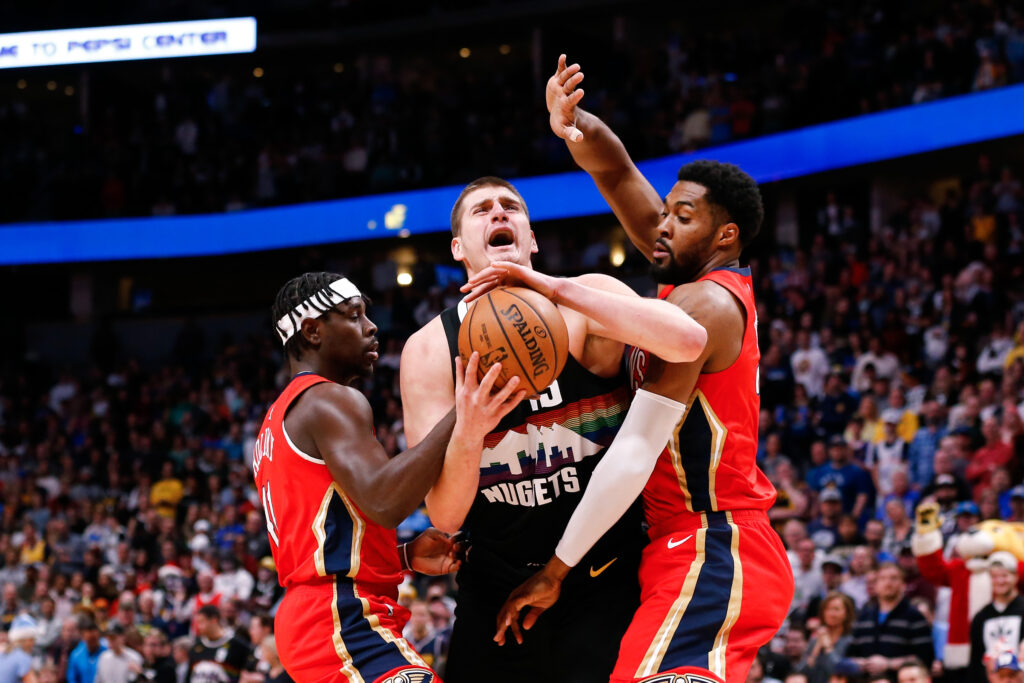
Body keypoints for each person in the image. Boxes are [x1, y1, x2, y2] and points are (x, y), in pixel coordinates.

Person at [490, 55, 793, 683]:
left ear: (725, 236)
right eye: (667, 210)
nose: (663, 225)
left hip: (716, 543)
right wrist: (571, 125)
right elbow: (617, 169)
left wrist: (556, 569)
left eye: (683, 217)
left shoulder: (705, 305)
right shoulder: (682, 284)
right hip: (683, 546)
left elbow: (633, 451)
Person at [400, 172, 707, 683]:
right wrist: (471, 429)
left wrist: (555, 290)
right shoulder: (431, 349)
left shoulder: (584, 300)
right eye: (482, 210)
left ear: (532, 238)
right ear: (459, 248)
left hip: (606, 570)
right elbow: (446, 515)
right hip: (496, 581)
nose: (499, 213)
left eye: (510, 207)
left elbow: (688, 341)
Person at [254, 272, 526, 682]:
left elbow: (319, 540)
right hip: (340, 619)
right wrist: (465, 412)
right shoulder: (328, 399)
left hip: (315, 617)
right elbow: (384, 502)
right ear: (312, 331)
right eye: (354, 315)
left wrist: (399, 557)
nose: (371, 326)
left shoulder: (276, 420)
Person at [846, 563, 934, 677]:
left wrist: (889, 664)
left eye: (894, 578)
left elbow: (924, 659)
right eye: (882, 579)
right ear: (876, 585)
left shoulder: (915, 617)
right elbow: (850, 654)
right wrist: (861, 663)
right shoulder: (864, 617)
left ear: (903, 585)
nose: (888, 583)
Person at [969, 552, 1024, 681]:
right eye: (994, 576)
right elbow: (976, 660)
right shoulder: (981, 617)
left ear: (1015, 577)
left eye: (1005, 575)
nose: (1000, 581)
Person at [797, 592, 856, 683]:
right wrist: (816, 650)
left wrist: (828, 648)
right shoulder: (816, 639)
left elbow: (838, 670)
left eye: (836, 609)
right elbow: (801, 673)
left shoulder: (851, 641)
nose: (831, 613)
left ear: (847, 613)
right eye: (827, 609)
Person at [187, 605, 250, 683]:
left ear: (214, 620)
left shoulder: (237, 645)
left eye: (201, 622)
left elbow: (247, 675)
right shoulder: (196, 646)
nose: (198, 626)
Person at [0, 614, 39, 683]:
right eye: (33, 639)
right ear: (27, 640)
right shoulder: (23, 657)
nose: (34, 644)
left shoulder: (2, 653)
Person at [67, 619, 106, 683]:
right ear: (83, 638)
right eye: (89, 640)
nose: (92, 642)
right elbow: (72, 679)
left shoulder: (106, 653)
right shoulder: (76, 655)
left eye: (94, 639)